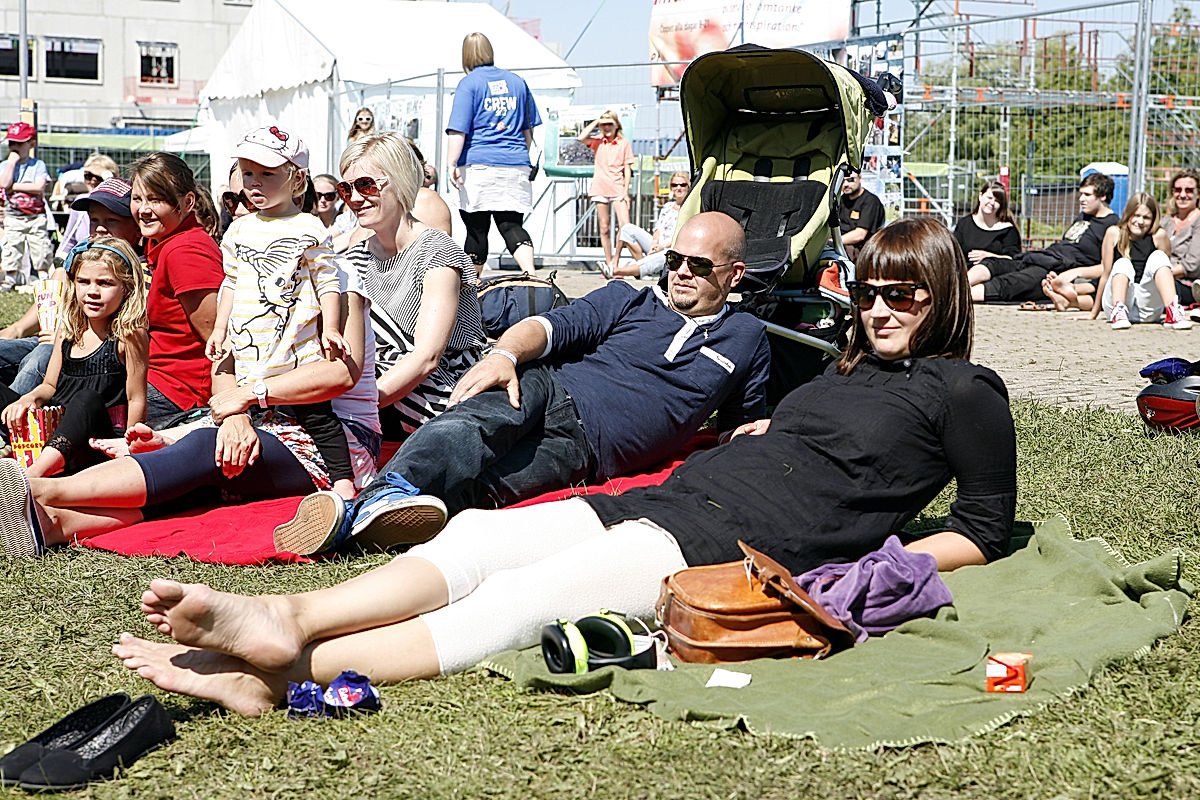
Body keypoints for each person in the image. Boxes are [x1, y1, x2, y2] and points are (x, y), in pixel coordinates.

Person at [101, 216, 1016, 716]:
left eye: (904, 294)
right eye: (870, 292)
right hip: (679, 495)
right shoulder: (846, 369)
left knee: (519, 601)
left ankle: (282, 672)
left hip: (729, 542)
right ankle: (288, 614)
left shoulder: (967, 393)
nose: (882, 308)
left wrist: (877, 560)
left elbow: (982, 523)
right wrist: (763, 432)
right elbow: (798, 430)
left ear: (942, 297)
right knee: (480, 537)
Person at [273, 211, 771, 556]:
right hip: (551, 388)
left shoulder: (747, 338)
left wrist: (745, 434)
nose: (680, 273)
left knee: (490, 490)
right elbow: (553, 327)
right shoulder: (631, 299)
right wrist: (506, 354)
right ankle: (382, 496)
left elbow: (736, 424)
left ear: (735, 274)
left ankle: (360, 524)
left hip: (593, 452)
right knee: (474, 427)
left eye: (698, 266)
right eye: (674, 261)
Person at [0, 245, 380, 559]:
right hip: (257, 422)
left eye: (264, 176)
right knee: (188, 480)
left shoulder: (333, 275)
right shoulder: (243, 275)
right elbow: (223, 366)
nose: (250, 199)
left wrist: (244, 401)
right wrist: (230, 416)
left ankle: (35, 491)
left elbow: (338, 375)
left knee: (204, 451)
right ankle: (51, 525)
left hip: (331, 444)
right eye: (239, 191)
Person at [209, 125, 356, 501]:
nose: (254, 183)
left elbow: (328, 281)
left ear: (297, 180)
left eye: (267, 174)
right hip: (249, 343)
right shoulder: (238, 230)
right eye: (248, 173)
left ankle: (343, 481)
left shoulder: (310, 227)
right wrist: (220, 328)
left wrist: (332, 328)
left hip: (295, 343)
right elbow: (231, 282)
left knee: (318, 416)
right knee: (248, 408)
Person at [338, 133, 486, 441]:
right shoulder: (358, 255)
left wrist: (359, 406)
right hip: (383, 386)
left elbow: (427, 357)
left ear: (402, 182)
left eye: (366, 185)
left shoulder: (437, 252)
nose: (354, 198)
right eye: (346, 188)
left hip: (447, 389)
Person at [0, 237, 148, 477]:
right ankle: (20, 450)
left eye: (105, 283)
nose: (92, 291)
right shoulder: (69, 328)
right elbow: (49, 386)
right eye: (83, 282)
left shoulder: (128, 334)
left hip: (98, 440)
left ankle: (30, 478)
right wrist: (29, 398)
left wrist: (129, 451)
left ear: (127, 287)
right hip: (55, 427)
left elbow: (137, 399)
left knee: (86, 399)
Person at [0, 179, 141, 395]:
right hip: (55, 338)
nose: (101, 228)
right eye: (94, 220)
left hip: (84, 349)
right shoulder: (85, 253)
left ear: (137, 225)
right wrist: (17, 329)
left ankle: (11, 422)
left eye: (112, 220)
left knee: (38, 360)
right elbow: (58, 284)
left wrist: (60, 335)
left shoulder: (137, 267)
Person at [129, 153, 225, 422]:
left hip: (179, 391)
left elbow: (216, 337)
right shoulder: (161, 241)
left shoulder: (185, 251)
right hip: (154, 377)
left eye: (156, 200)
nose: (144, 209)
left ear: (188, 202)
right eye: (138, 199)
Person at [446, 32, 541, 273]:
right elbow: (527, 130)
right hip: (515, 161)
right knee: (510, 225)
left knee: (476, 229)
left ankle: (472, 286)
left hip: (478, 164)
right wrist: (519, 156)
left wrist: (451, 164)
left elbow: (459, 130)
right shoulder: (517, 82)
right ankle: (531, 274)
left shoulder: (469, 84)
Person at [971, 173, 1117, 303]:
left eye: (1087, 195)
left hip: (1059, 269)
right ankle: (954, 288)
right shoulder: (1084, 216)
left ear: (1102, 196)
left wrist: (1073, 273)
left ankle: (959, 297)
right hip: (1045, 257)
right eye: (1081, 194)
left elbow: (1106, 267)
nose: (1081, 199)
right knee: (994, 264)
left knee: (1012, 283)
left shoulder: (1112, 226)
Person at [1088, 193, 1193, 330]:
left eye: (1146, 217)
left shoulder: (1159, 236)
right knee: (1123, 263)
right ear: (1128, 214)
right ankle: (1119, 312)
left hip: (1146, 308)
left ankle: (1173, 313)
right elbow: (1106, 274)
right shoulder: (1114, 233)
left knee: (1159, 257)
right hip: (1116, 302)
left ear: (1154, 219)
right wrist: (1093, 313)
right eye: (1136, 215)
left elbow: (1165, 272)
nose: (1140, 221)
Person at [579, 111, 634, 277]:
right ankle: (608, 262)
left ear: (617, 125)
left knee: (625, 226)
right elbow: (582, 137)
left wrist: (626, 192)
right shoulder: (598, 142)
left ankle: (616, 262)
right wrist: (597, 120)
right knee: (604, 227)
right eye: (604, 124)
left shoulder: (623, 143)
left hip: (618, 187)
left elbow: (627, 168)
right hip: (600, 187)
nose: (606, 127)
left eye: (610, 123)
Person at [0, 122, 52, 288]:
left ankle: (43, 275)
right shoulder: (5, 166)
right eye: (11, 143)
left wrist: (13, 187)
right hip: (13, 215)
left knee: (40, 246)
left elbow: (38, 187)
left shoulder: (38, 165)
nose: (14, 147)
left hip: (35, 216)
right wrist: (11, 162)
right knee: (12, 246)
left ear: (31, 144)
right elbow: (3, 183)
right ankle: (10, 278)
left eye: (19, 143)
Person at [613, 171, 689, 279]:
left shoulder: (689, 210)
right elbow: (658, 228)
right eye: (674, 185)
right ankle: (615, 263)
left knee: (665, 255)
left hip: (673, 248)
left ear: (688, 187)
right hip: (659, 244)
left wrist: (662, 246)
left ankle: (615, 271)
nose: (678, 188)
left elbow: (683, 237)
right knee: (626, 229)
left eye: (682, 185)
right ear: (671, 187)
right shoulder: (667, 206)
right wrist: (654, 243)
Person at [53, 154, 119, 261]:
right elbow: (68, 241)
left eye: (98, 177)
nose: (92, 181)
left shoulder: (120, 203)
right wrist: (59, 265)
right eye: (88, 176)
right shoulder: (81, 202)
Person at [953, 181, 1020, 266]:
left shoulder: (1007, 230)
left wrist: (987, 256)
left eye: (997, 201)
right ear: (980, 196)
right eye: (989, 198)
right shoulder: (964, 224)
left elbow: (1013, 259)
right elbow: (954, 253)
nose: (992, 203)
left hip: (995, 276)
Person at [1162, 168, 1200, 307]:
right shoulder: (1165, 221)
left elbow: (1191, 266)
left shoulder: (1198, 222)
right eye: (1178, 190)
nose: (1182, 195)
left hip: (1187, 284)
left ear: (1198, 194)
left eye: (1189, 190)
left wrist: (1160, 274)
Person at [838, 171, 885, 262]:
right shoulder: (841, 200)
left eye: (850, 180)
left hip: (863, 252)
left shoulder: (871, 202)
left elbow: (860, 234)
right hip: (843, 247)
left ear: (860, 178)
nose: (846, 184)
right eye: (842, 181)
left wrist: (834, 242)